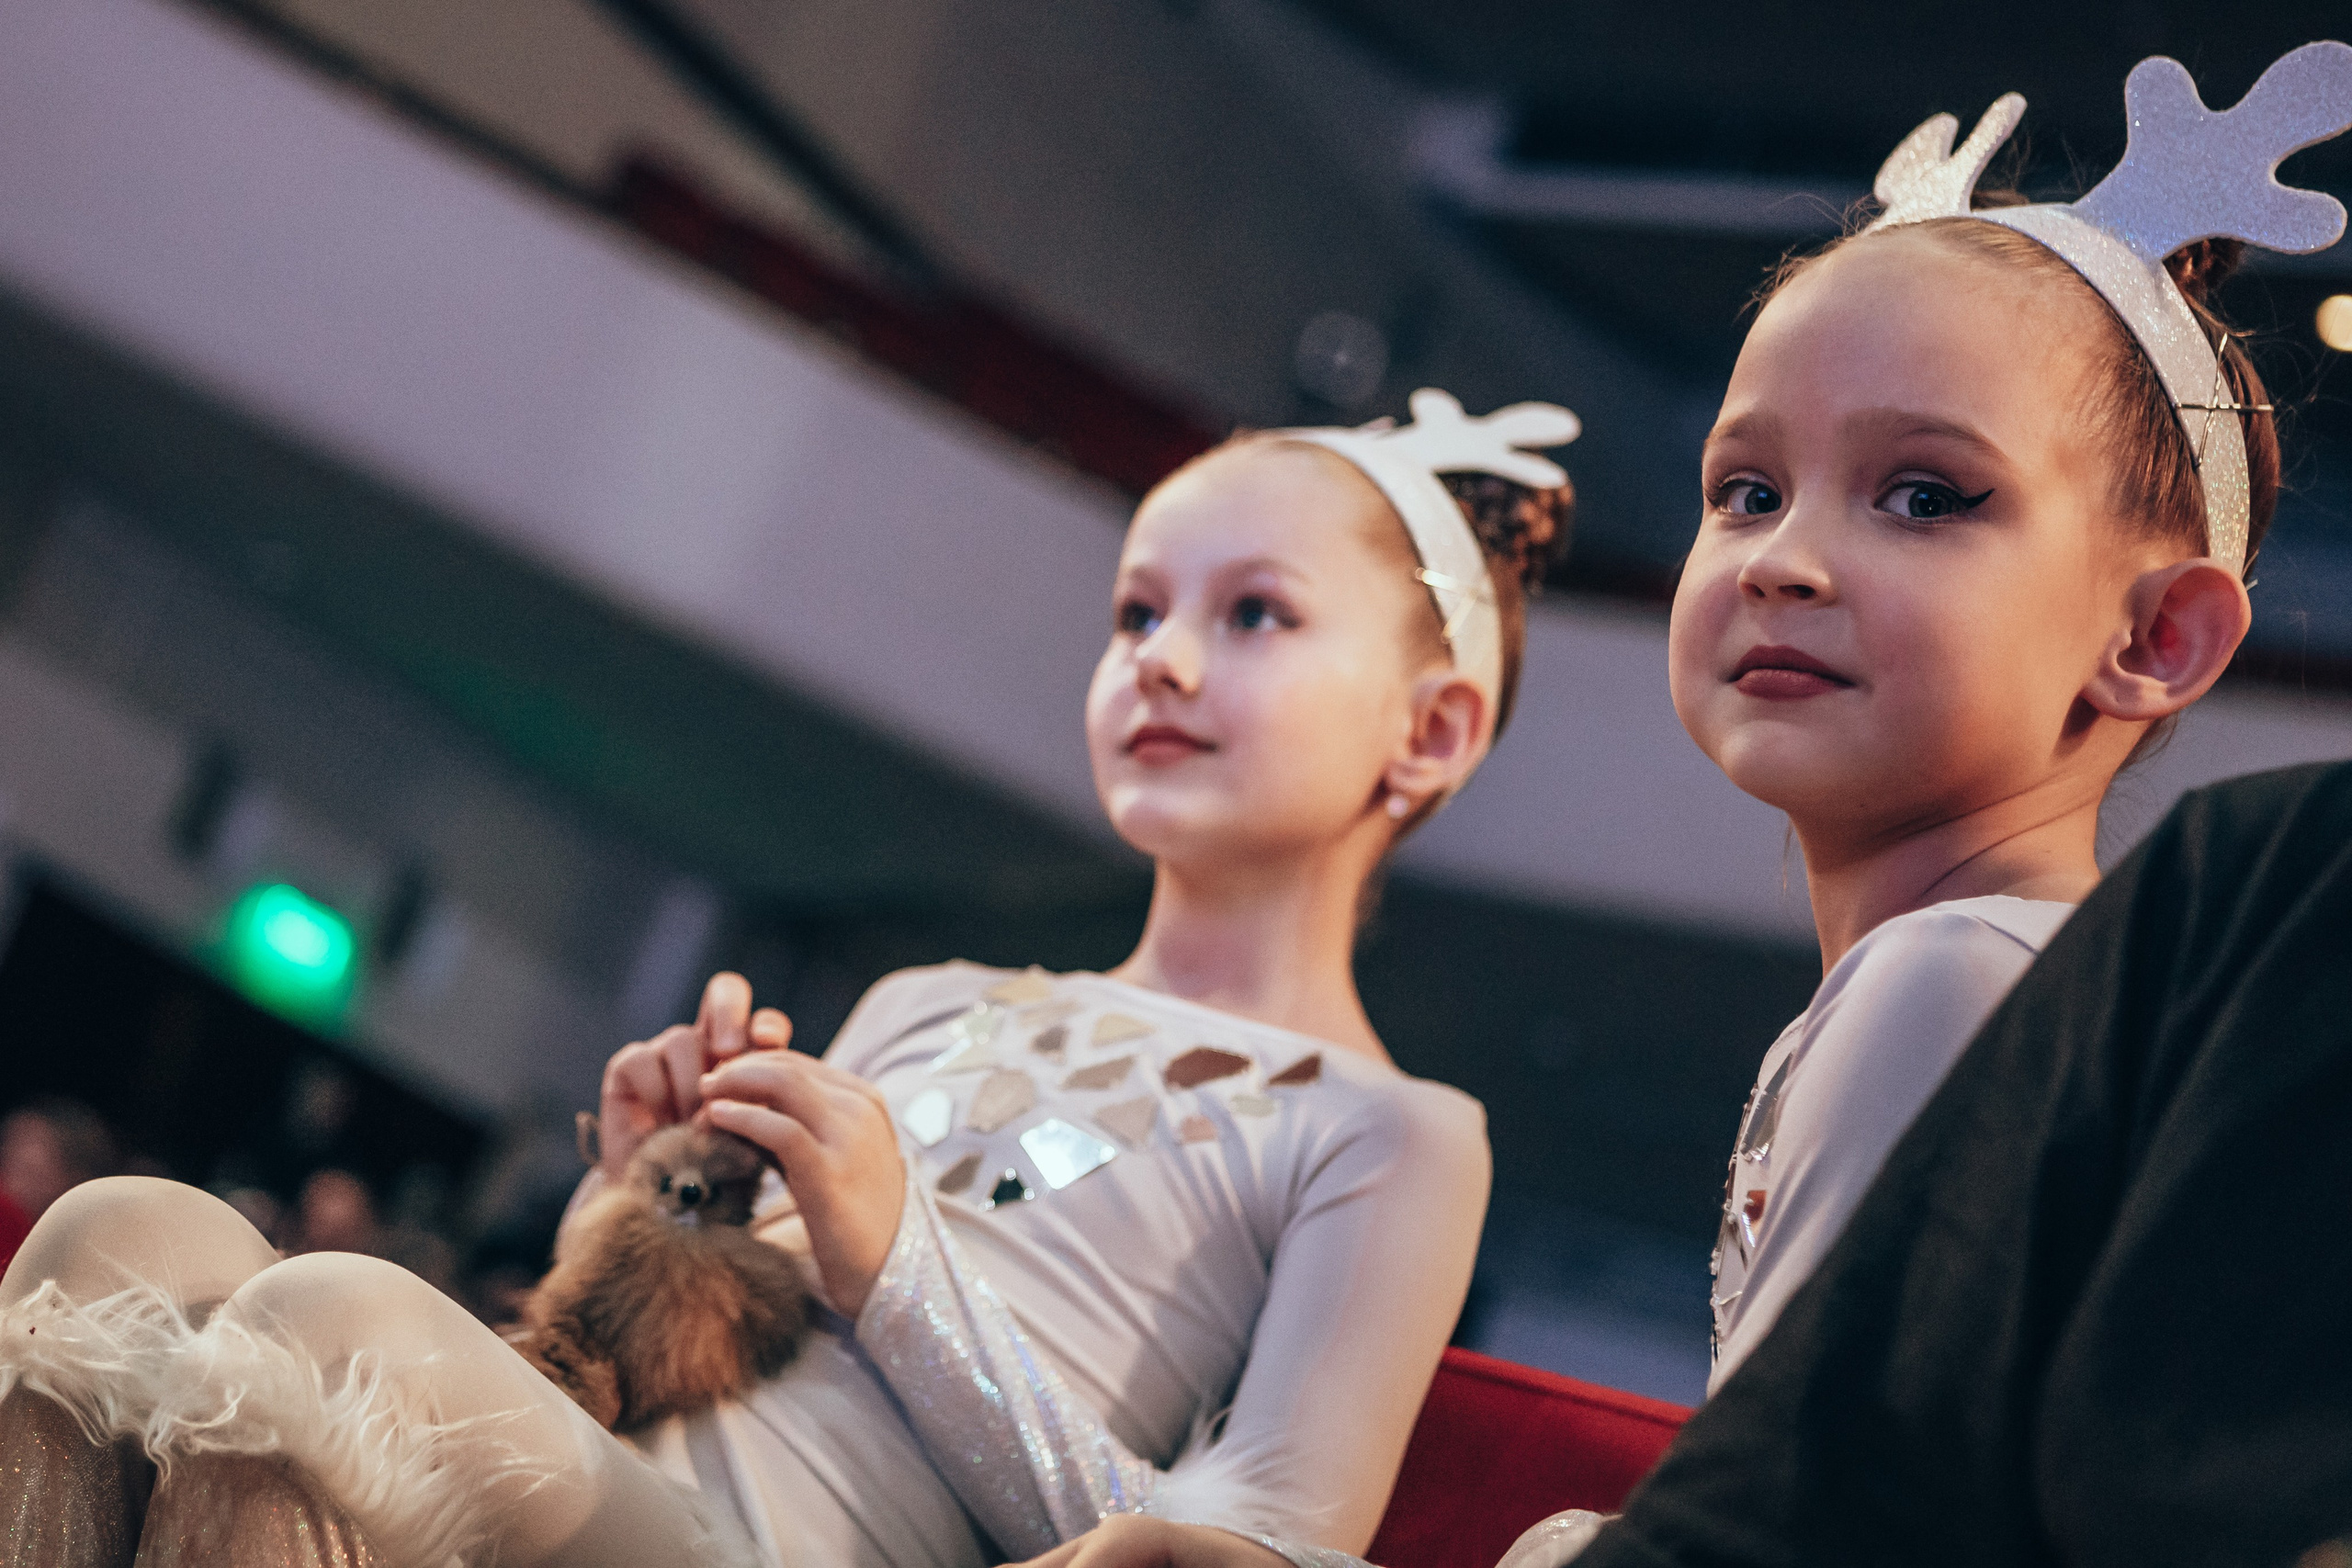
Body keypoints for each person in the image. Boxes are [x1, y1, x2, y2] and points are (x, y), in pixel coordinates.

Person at [1020, 39, 2341, 1568]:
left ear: (2153, 639)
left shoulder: (1950, 981)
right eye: (1745, 491)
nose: (1784, 558)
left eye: (1926, 495)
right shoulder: (1951, 981)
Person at [0, 386, 1577, 1568]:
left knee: (342, 1322)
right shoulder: (933, 998)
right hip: (623, 1496)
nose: (1162, 658)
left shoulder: (1394, 1128)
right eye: (1136, 611)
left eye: (1254, 615)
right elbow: (689, 1355)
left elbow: (1248, 1561)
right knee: (114, 1233)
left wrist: (900, 1265)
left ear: (1428, 730)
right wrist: (641, 1197)